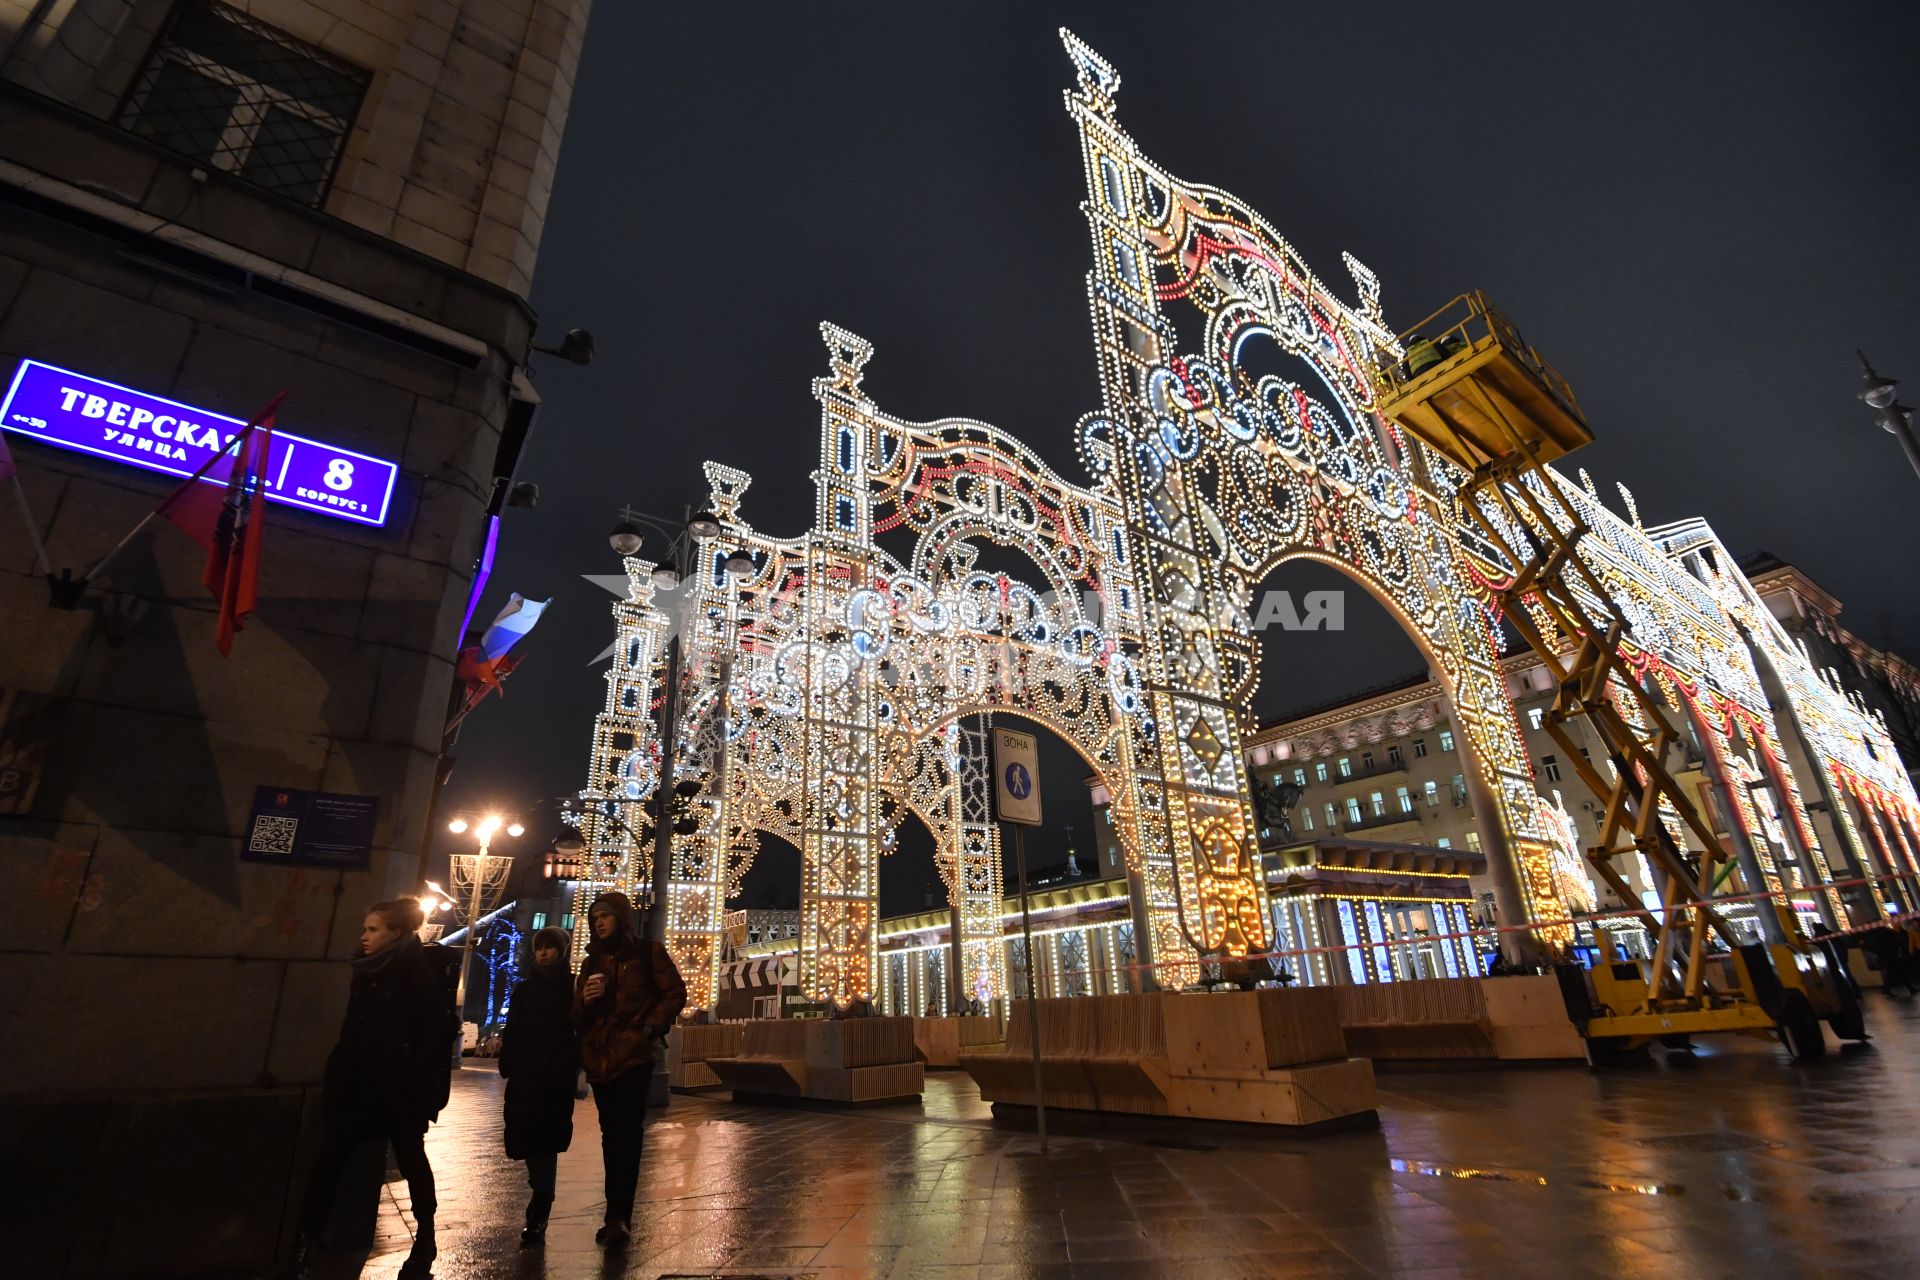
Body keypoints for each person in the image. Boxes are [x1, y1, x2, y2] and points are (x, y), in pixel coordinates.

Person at [288, 899, 455, 1279]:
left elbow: (433, 1037)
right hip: (356, 1089)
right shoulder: (365, 970)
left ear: (396, 932)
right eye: (365, 929)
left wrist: (414, 1088)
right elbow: (352, 1035)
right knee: (326, 1165)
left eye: (373, 929)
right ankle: (306, 1245)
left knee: (412, 1160)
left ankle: (425, 1235)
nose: (364, 937)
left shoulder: (417, 976)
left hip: (399, 1093)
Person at [574, 891, 686, 1247]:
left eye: (604, 916)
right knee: (612, 1137)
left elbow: (674, 993)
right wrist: (585, 1001)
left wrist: (649, 1028)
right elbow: (575, 1016)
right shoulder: (591, 962)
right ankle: (615, 1213)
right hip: (601, 1059)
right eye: (594, 919)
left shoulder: (647, 951)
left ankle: (619, 1215)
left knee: (627, 1134)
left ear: (621, 918)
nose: (599, 923)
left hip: (634, 1057)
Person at [500, 926, 580, 1248]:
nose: (544, 953)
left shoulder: (572, 989)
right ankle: (539, 1190)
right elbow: (513, 1031)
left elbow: (578, 1029)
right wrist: (509, 1062)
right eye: (539, 948)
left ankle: (542, 1205)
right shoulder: (524, 991)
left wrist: (571, 1064)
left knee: (546, 1142)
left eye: (550, 948)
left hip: (555, 1080)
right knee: (528, 1142)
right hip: (525, 1078)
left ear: (561, 951)